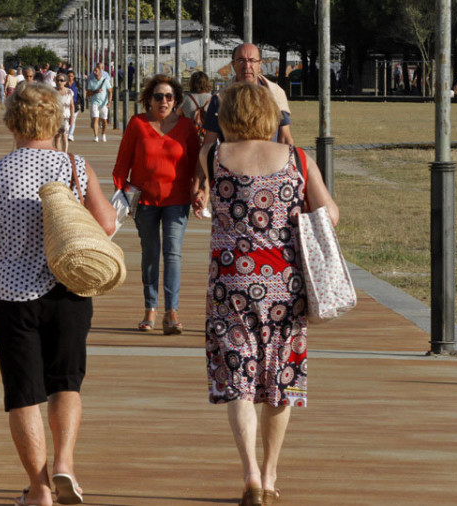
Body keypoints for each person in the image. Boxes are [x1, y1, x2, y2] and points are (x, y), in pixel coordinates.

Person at [0, 82, 116, 506]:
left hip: (10, 295)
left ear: (13, 122)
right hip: (67, 289)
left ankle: (40, 487)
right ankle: (65, 462)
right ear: (57, 121)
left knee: (24, 391)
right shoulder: (74, 166)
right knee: (66, 383)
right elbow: (105, 225)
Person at [197, 82, 338, 506]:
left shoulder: (214, 157)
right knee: (280, 374)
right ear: (270, 114)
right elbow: (330, 213)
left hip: (230, 283)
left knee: (239, 375)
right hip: (284, 282)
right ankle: (272, 472)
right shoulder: (296, 158)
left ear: (227, 116)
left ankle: (251, 476)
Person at [113, 74, 200, 334]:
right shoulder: (137, 123)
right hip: (145, 201)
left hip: (177, 200)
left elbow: (197, 162)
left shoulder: (186, 127)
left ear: (176, 101)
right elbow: (123, 161)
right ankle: (150, 308)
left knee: (172, 253)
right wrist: (121, 194)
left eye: (169, 97)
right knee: (150, 254)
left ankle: (171, 312)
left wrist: (200, 189)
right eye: (158, 96)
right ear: (149, 99)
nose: (163, 101)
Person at [202, 43, 294, 152]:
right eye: (241, 60)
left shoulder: (275, 93)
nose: (247, 66)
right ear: (233, 64)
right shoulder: (220, 99)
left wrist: (291, 164)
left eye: (252, 61)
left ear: (260, 64)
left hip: (270, 164)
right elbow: (209, 144)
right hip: (233, 164)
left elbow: (285, 138)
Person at [181, 71, 213, 140]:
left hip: (190, 137)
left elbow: (178, 118)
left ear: (191, 83)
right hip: (209, 138)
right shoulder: (214, 99)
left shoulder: (185, 99)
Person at [86, 64, 112, 142]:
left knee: (104, 120)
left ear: (100, 72)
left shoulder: (105, 81)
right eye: (94, 71)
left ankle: (103, 134)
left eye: (96, 71)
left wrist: (109, 101)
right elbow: (88, 93)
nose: (95, 72)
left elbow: (110, 91)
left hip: (104, 103)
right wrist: (95, 91)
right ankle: (96, 136)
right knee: (95, 119)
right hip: (95, 102)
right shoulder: (91, 81)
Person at [54, 73, 75, 153]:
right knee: (57, 136)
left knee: (64, 136)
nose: (59, 82)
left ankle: (65, 153)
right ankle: (58, 153)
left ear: (65, 82)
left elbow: (72, 106)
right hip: (55, 117)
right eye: (58, 80)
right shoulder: (53, 91)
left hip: (66, 117)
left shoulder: (69, 92)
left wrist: (72, 118)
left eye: (61, 80)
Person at [66, 70, 83, 142]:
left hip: (75, 104)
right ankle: (66, 133)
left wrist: (81, 104)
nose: (70, 78)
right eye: (69, 76)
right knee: (67, 120)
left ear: (74, 77)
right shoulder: (64, 84)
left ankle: (70, 134)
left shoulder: (77, 84)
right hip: (66, 105)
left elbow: (81, 94)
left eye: (71, 76)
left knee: (73, 119)